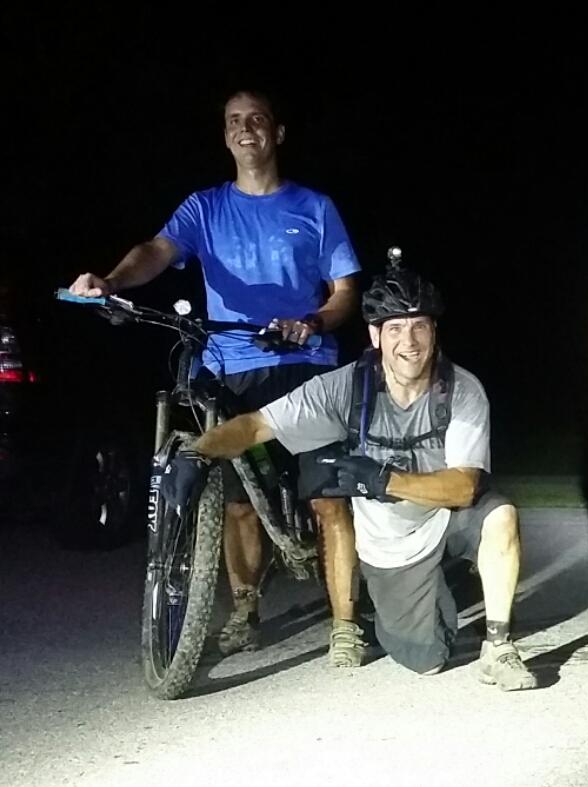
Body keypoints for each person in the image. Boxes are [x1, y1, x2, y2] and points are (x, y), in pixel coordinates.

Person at [67, 89, 366, 666]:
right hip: (230, 368)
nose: (245, 128)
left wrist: (311, 322)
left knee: (329, 501)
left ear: (277, 132)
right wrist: (111, 281)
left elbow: (346, 292)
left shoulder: (315, 207)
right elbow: (156, 249)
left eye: (256, 119)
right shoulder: (204, 208)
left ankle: (347, 623)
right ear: (226, 135)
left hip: (305, 366)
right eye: (233, 121)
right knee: (237, 504)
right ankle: (244, 607)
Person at [158, 259, 538, 689]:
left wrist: (381, 479)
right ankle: (417, 603)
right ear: (376, 336)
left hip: (445, 517)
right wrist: (197, 453)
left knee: (500, 513)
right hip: (393, 548)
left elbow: (466, 487)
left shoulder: (462, 389)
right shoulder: (345, 389)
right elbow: (255, 426)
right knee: (428, 658)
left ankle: (499, 646)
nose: (409, 342)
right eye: (395, 328)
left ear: (435, 331)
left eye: (419, 326)